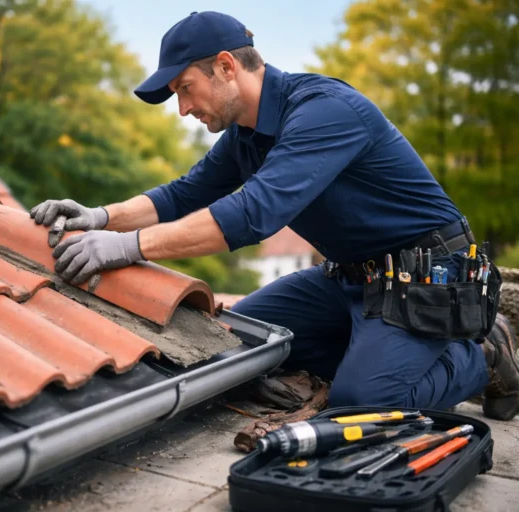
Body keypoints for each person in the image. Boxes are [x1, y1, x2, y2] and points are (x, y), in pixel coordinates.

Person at [29, 11, 519, 420]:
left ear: (225, 66)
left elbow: (252, 214)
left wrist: (126, 248)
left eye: (186, 89)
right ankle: (377, 349)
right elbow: (183, 194)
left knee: (360, 405)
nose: (183, 109)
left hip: (426, 279)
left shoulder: (324, 111)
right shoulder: (245, 134)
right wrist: (100, 217)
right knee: (235, 345)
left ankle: (482, 354)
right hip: (351, 280)